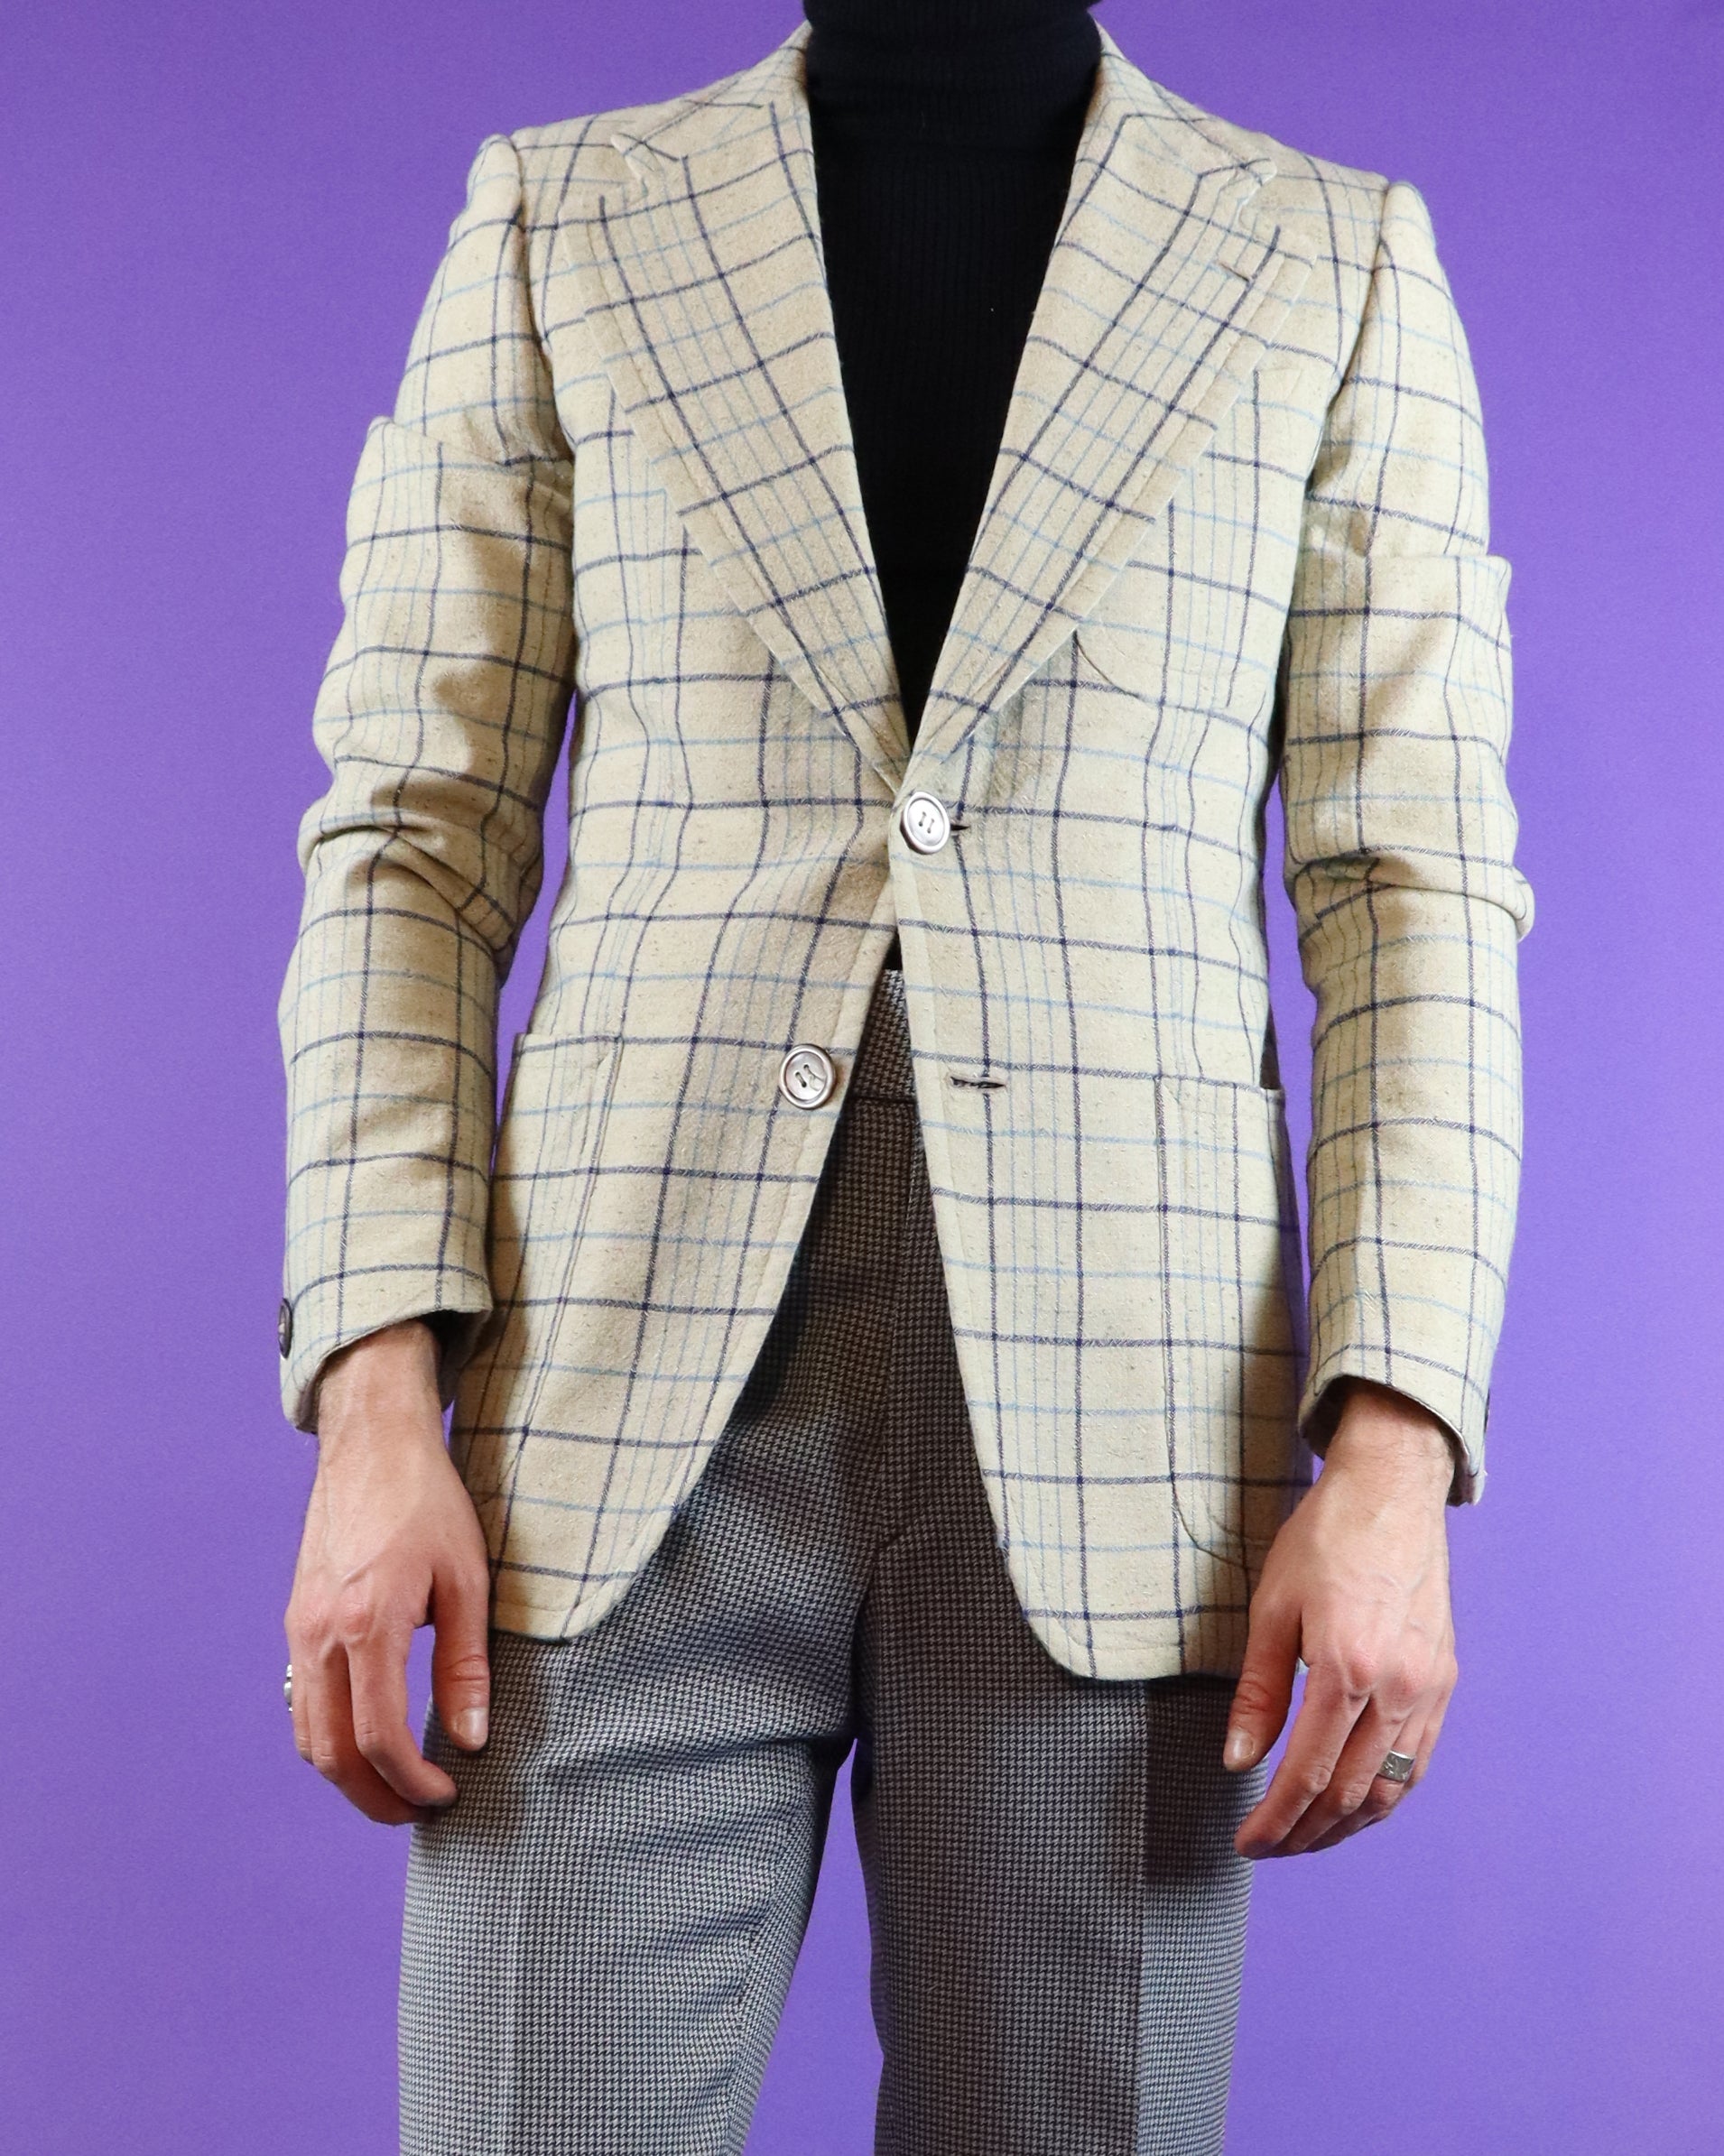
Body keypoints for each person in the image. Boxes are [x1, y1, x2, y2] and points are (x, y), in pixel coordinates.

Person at [278, 3, 1532, 2149]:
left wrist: (1398, 1445)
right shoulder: (563, 215)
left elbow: (1407, 888)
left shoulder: (1328, 257)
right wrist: (375, 1398)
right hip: (612, 1426)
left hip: (1124, 1450)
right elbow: (412, 836)